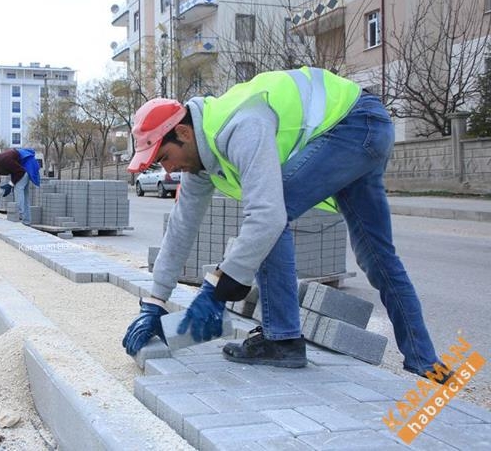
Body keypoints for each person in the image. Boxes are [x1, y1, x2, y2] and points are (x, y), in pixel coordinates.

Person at [122, 66, 445, 379]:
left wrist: (217, 287)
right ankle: (426, 363)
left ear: (183, 133)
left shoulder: (238, 125)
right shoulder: (198, 160)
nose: (166, 171)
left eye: (164, 158)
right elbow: (181, 228)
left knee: (271, 214)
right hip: (367, 126)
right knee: (377, 257)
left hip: (352, 125)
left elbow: (268, 216)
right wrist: (155, 302)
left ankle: (283, 339)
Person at [0, 148, 41, 225]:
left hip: (26, 164)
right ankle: (26, 221)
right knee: (24, 195)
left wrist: (10, 185)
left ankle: (20, 216)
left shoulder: (5, 160)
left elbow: (20, 172)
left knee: (18, 188)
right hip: (20, 169)